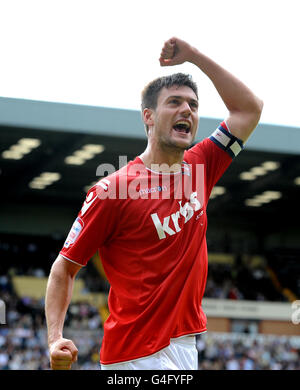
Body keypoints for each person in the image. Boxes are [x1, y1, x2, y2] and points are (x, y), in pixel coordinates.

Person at [45, 37, 263, 370]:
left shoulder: (202, 165)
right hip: (135, 354)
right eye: (174, 102)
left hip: (185, 345)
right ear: (148, 116)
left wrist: (194, 57)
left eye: (192, 104)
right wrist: (54, 337)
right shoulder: (112, 190)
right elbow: (65, 267)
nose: (186, 110)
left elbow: (249, 108)